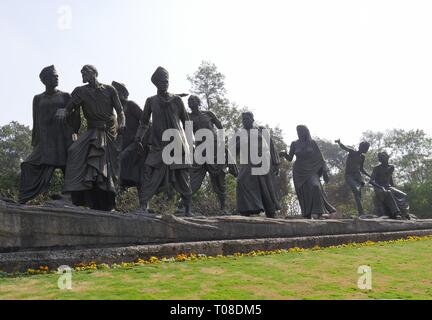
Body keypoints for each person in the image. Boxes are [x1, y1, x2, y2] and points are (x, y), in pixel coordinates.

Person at [56, 65, 125, 211]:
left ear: (94, 73)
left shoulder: (109, 90)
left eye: (85, 72)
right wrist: (64, 111)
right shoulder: (81, 91)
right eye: (81, 73)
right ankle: (71, 195)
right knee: (74, 151)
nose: (83, 75)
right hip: (92, 131)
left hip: (108, 132)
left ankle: (108, 202)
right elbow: (70, 107)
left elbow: (120, 111)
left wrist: (122, 124)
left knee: (105, 167)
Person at [135, 67, 193, 216]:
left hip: (177, 143)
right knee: (149, 171)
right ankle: (143, 205)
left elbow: (186, 121)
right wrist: (139, 137)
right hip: (158, 145)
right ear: (156, 84)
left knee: (182, 176)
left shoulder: (177, 100)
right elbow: (144, 122)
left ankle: (188, 208)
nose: (164, 84)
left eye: (166, 81)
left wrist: (190, 142)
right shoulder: (151, 101)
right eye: (161, 81)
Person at [19, 65, 79, 204]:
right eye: (53, 76)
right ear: (45, 80)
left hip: (62, 139)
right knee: (27, 164)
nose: (57, 78)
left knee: (68, 167)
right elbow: (36, 120)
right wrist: (35, 142)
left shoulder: (65, 96)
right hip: (45, 142)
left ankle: (71, 197)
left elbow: (75, 114)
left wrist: (67, 114)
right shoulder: (38, 98)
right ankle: (28, 197)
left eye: (57, 75)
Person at [187, 95, 237, 214]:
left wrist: (220, 143)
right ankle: (184, 206)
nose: (189, 102)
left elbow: (220, 127)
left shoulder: (208, 114)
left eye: (192, 100)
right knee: (194, 179)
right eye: (188, 101)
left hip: (214, 148)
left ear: (199, 102)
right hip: (200, 150)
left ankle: (223, 207)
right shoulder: (188, 118)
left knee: (219, 179)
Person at [280, 125, 336, 219]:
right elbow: (290, 158)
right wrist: (284, 154)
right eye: (297, 132)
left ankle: (319, 213)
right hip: (299, 171)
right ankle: (307, 214)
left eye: (300, 132)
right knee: (304, 192)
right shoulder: (294, 143)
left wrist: (325, 172)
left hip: (312, 170)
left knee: (315, 186)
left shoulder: (312, 143)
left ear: (305, 132)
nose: (299, 134)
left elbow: (321, 158)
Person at [236, 112, 281, 218]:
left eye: (247, 118)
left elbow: (271, 146)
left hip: (264, 160)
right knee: (241, 181)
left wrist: (276, 163)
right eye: (243, 119)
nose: (245, 121)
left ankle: (271, 211)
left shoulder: (261, 130)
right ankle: (247, 209)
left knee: (265, 186)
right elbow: (235, 149)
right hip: (249, 161)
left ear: (252, 119)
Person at [111, 81, 145, 191]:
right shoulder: (118, 109)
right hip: (124, 143)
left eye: (117, 92)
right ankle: (119, 191)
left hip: (135, 143)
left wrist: (139, 138)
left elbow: (145, 121)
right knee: (126, 170)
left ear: (123, 94)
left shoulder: (131, 105)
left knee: (121, 161)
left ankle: (117, 189)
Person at [369, 151, 410, 219]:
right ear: (380, 159)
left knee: (403, 195)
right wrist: (381, 188)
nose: (382, 159)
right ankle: (396, 213)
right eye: (381, 158)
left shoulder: (391, 167)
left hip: (388, 186)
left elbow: (389, 178)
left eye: (384, 157)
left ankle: (405, 212)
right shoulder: (376, 168)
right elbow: (371, 181)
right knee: (388, 193)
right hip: (379, 188)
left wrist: (394, 187)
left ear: (387, 157)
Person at [335, 139, 371, 216]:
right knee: (356, 190)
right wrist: (339, 142)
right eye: (366, 148)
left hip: (358, 177)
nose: (367, 150)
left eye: (367, 149)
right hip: (349, 175)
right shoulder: (352, 152)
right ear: (361, 147)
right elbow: (344, 147)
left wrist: (369, 175)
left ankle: (361, 213)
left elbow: (361, 169)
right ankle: (362, 213)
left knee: (358, 195)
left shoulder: (363, 157)